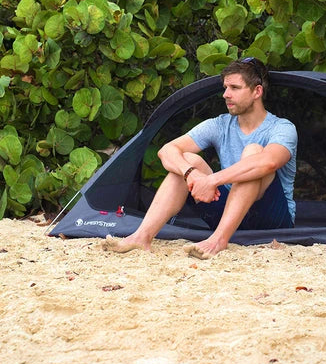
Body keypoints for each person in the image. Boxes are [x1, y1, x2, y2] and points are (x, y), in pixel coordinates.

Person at [103, 57, 297, 259]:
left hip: (271, 220)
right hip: (226, 213)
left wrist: (211, 180)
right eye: (225, 87)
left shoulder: (282, 128)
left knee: (253, 153)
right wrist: (191, 174)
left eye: (235, 88)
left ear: (257, 91)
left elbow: (269, 163)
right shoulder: (219, 124)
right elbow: (167, 151)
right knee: (187, 160)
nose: (226, 94)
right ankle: (141, 237)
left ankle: (218, 240)